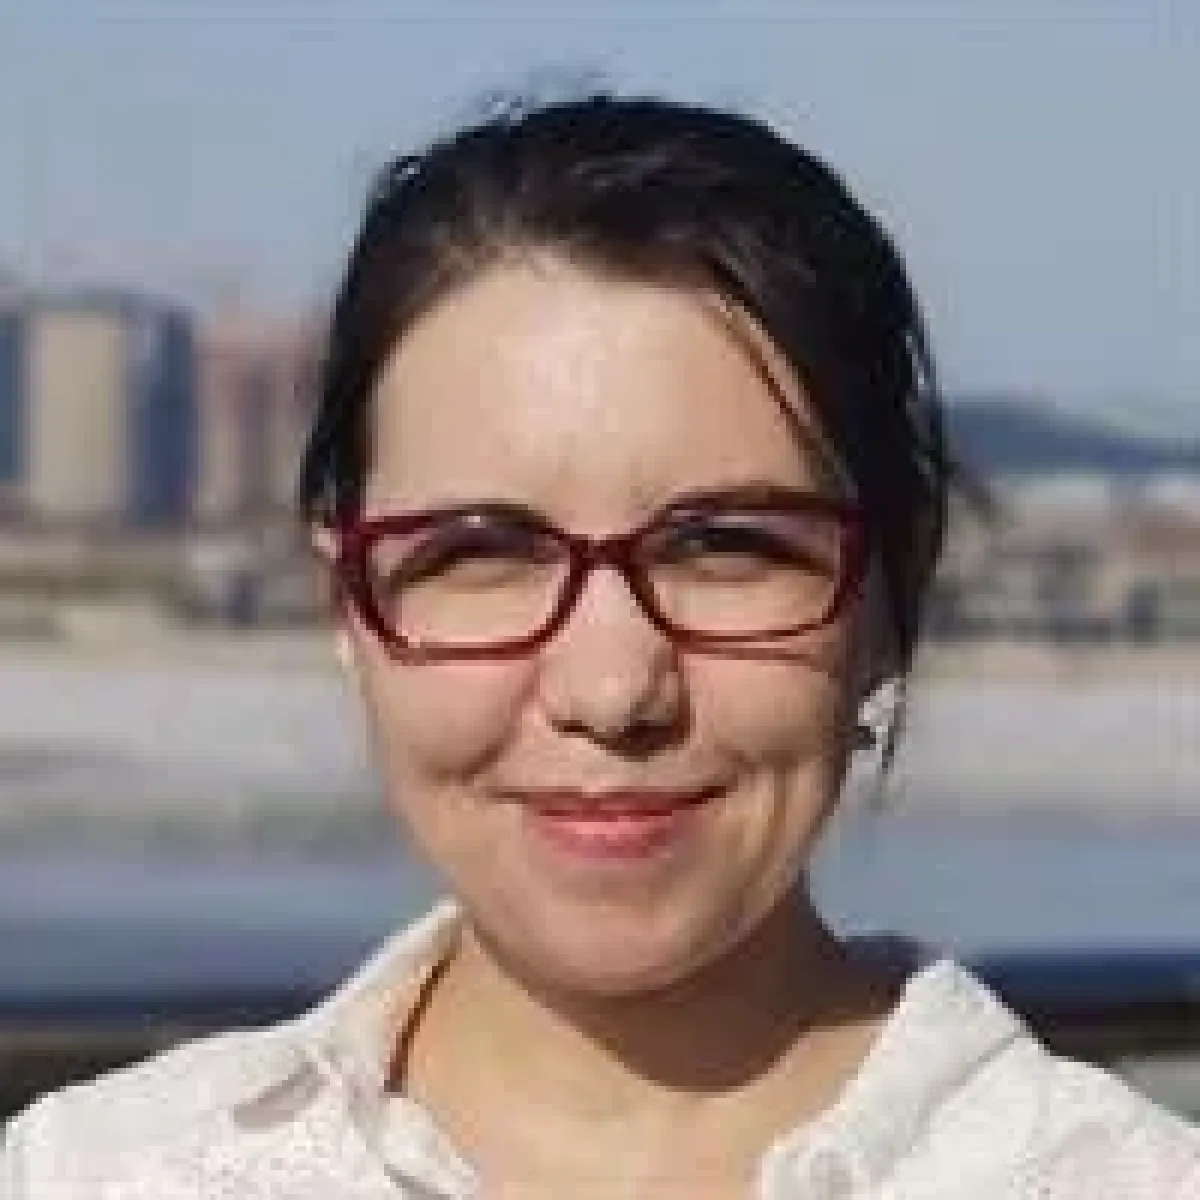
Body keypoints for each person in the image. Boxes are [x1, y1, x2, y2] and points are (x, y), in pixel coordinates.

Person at [4, 93, 1197, 1199]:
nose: (613, 687)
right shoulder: (95, 1174)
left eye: (725, 546)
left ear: (897, 581)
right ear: (348, 604)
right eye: (482, 551)